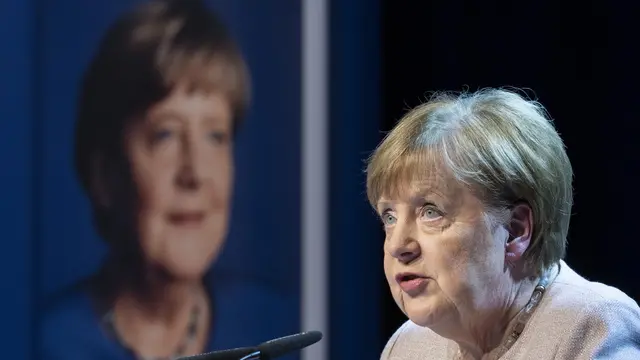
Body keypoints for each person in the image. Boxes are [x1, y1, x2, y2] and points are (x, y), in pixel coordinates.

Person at [39, 1, 296, 359]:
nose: (194, 173)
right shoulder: (43, 343)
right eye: (165, 135)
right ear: (104, 176)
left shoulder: (279, 324)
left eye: (215, 136)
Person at [367, 88, 640, 360]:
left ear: (515, 230)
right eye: (389, 217)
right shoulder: (408, 347)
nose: (397, 246)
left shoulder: (590, 329)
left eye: (430, 212)